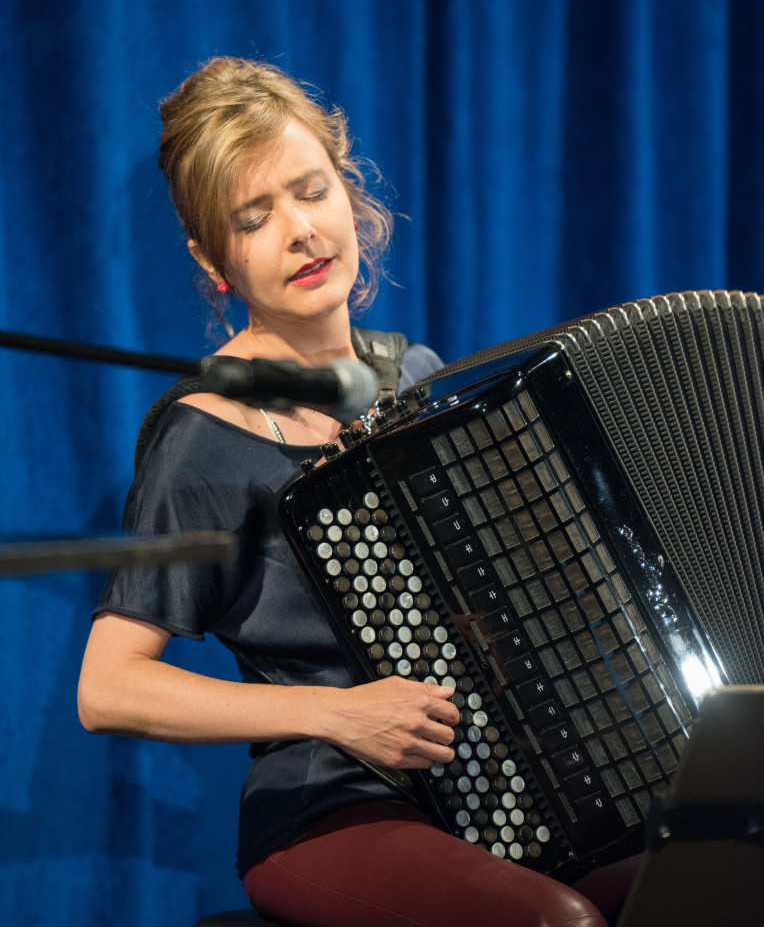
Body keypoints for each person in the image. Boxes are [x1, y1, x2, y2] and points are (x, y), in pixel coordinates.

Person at [78, 57, 635, 927]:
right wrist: (339, 713)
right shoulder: (204, 437)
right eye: (254, 218)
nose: (300, 231)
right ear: (212, 259)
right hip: (330, 809)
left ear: (350, 194)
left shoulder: (415, 377)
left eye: (312, 191)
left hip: (488, 788)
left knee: (714, 873)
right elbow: (107, 688)